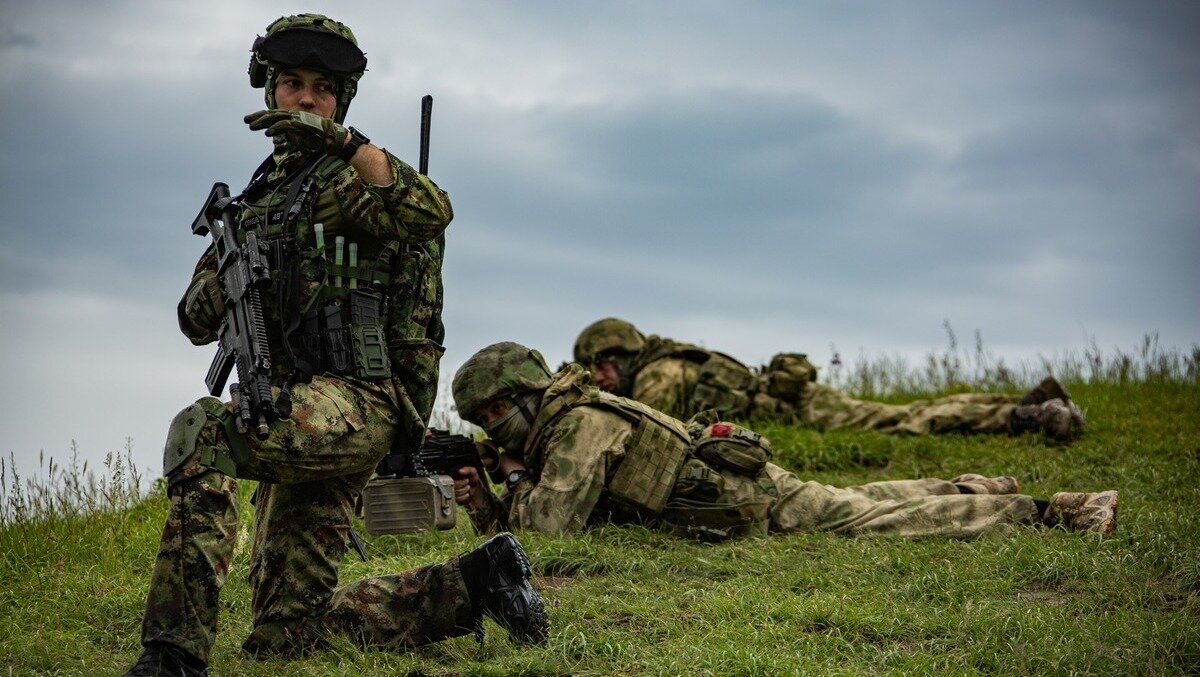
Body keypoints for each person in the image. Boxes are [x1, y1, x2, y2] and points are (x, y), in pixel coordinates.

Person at [123, 15, 546, 676]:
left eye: (323, 89)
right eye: (292, 84)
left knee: (201, 430)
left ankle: (173, 653)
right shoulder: (257, 201)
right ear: (270, 92)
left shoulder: (350, 180)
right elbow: (194, 319)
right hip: (290, 410)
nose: (306, 100)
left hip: (357, 403)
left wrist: (345, 142)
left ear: (340, 103)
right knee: (285, 639)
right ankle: (474, 582)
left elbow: (429, 208)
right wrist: (223, 285)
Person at [448, 341, 1117, 542]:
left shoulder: (576, 425)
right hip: (741, 482)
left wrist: (506, 484)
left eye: (498, 411)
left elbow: (550, 530)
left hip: (746, 500)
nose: (493, 427)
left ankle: (1055, 511)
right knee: (854, 500)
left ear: (528, 395)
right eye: (484, 418)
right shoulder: (574, 414)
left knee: (875, 521)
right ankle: (976, 486)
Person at [572, 318, 1086, 442]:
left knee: (904, 423)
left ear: (623, 353)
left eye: (604, 366)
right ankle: (1028, 401)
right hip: (794, 404)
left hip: (799, 411)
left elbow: (660, 432)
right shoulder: (668, 363)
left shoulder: (658, 376)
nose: (602, 378)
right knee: (906, 411)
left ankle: (1028, 415)